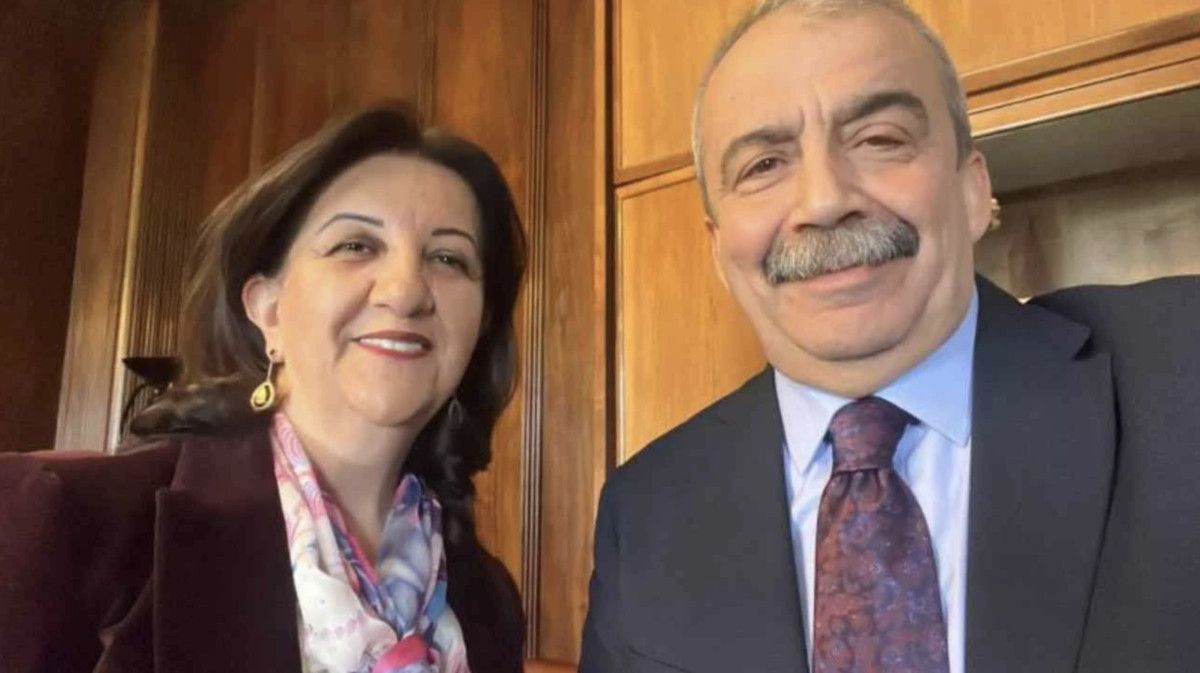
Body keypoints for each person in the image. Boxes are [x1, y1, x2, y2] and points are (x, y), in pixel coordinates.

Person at [580, 1, 1200, 672]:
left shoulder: (1182, 370)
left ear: (972, 190)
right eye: (763, 165)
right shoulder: (643, 511)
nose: (824, 201)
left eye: (879, 139)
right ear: (718, 250)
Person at [0, 103, 527, 672]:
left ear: (479, 325)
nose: (406, 292)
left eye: (448, 258)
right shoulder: (63, 522)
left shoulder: (489, 601)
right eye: (356, 245)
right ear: (267, 308)